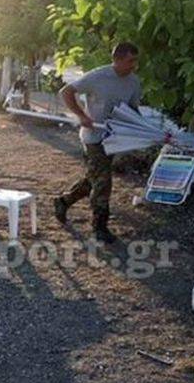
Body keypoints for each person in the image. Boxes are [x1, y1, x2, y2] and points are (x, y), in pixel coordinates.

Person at [53, 42, 142, 243]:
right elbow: (66, 92)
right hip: (93, 138)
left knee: (94, 178)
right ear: (117, 60)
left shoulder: (134, 82)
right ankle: (100, 227)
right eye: (130, 61)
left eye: (135, 61)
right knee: (103, 182)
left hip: (114, 139)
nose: (133, 65)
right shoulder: (98, 76)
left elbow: (133, 110)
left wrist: (140, 130)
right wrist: (82, 115)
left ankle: (63, 201)